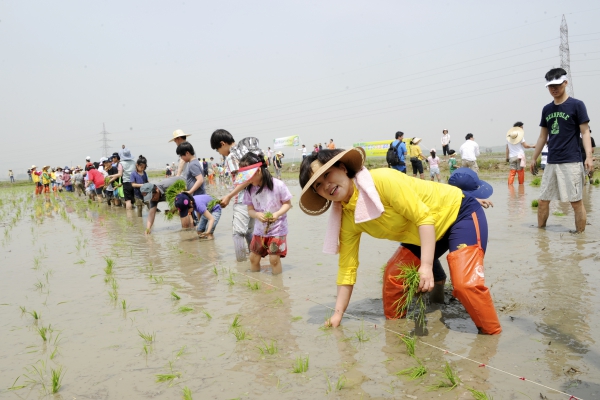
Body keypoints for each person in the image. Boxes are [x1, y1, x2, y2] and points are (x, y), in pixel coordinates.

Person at [298, 148, 500, 334]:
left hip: (458, 213)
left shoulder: (383, 180)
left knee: (466, 285)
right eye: (318, 185)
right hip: (422, 233)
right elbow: (347, 268)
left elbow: (424, 218)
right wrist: (337, 314)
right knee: (394, 277)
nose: (327, 185)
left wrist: (426, 266)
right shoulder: (348, 218)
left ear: (342, 168)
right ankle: (398, 331)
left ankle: (491, 335)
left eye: (327, 174)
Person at [529, 67, 592, 233]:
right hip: (551, 161)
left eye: (557, 85)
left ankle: (580, 237)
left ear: (565, 82)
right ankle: (541, 234)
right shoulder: (547, 109)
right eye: (550, 86)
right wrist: (533, 158)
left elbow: (585, 132)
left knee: (576, 202)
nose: (553, 89)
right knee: (543, 200)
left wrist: (589, 157)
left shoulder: (577, 105)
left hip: (571, 160)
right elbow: (543, 136)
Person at [238, 152, 292, 275]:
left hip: (278, 230)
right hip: (259, 230)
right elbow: (250, 210)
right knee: (253, 258)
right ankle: (256, 284)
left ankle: (278, 286)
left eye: (248, 177)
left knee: (274, 259)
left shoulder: (278, 185)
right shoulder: (250, 189)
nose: (247, 180)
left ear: (258, 171)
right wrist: (257, 215)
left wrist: (277, 214)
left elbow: (287, 204)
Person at [210, 129, 260, 258]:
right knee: (250, 232)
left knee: (238, 233)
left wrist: (229, 196)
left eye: (217, 149)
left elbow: (245, 180)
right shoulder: (246, 152)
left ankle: (241, 265)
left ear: (222, 144)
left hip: (243, 199)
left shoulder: (232, 156)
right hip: (256, 198)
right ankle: (255, 262)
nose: (219, 153)